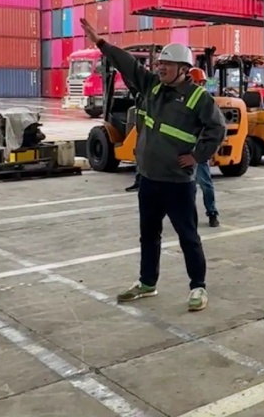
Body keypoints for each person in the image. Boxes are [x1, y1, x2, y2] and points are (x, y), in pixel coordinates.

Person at [80, 18, 227, 310]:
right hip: (149, 179)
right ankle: (147, 283)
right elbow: (128, 65)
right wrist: (101, 43)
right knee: (148, 235)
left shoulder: (198, 98)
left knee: (188, 237)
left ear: (183, 69)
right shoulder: (152, 87)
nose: (160, 68)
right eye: (159, 64)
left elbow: (217, 128)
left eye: (167, 65)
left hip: (177, 183)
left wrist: (197, 156)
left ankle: (198, 287)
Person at [189, 67, 220, 227]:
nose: (200, 85)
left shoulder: (206, 101)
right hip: (186, 151)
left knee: (205, 184)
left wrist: (206, 152)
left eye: (201, 83)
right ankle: (189, 215)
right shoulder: (183, 101)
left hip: (198, 152)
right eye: (197, 82)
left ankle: (212, 212)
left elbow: (215, 129)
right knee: (189, 187)